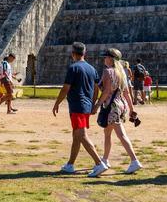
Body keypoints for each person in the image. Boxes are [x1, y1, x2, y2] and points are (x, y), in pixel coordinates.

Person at [53, 42, 106, 177]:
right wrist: (93, 104)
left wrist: (57, 103)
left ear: (73, 54)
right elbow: (96, 89)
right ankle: (70, 164)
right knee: (76, 135)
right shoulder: (92, 69)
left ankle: (99, 163)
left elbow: (66, 88)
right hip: (86, 106)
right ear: (85, 53)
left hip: (77, 106)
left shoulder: (73, 68)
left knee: (81, 135)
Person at [92, 48, 142, 174]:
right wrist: (132, 108)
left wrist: (97, 105)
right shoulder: (121, 73)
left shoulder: (107, 72)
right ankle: (105, 159)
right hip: (120, 104)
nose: (104, 59)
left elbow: (106, 91)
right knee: (107, 133)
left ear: (110, 58)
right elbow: (126, 93)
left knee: (121, 134)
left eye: (105, 57)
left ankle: (134, 160)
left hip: (111, 106)